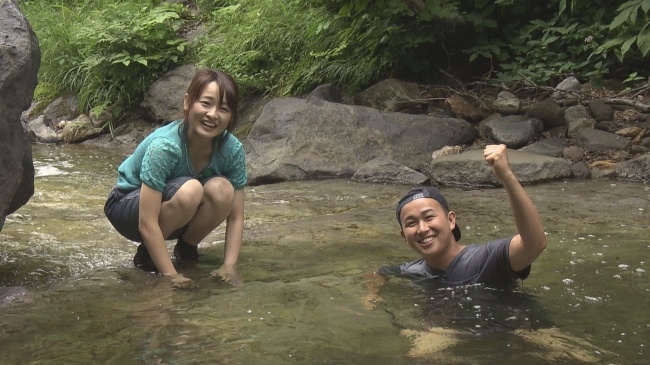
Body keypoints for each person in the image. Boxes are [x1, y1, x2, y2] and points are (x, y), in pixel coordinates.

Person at [104, 69, 247, 288]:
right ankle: (147, 257)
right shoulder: (165, 147)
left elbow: (236, 217)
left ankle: (186, 250)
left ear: (232, 116)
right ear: (188, 102)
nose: (213, 114)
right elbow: (146, 222)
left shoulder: (232, 149)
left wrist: (229, 267)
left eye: (224, 109)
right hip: (126, 205)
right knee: (192, 190)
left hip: (175, 204)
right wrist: (171, 277)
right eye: (206, 103)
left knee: (223, 189)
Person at [367, 144, 546, 298]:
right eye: (411, 223)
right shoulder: (414, 271)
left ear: (451, 220)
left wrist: (507, 176)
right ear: (403, 236)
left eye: (429, 217)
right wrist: (372, 296)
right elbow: (380, 272)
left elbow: (534, 244)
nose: (422, 229)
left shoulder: (484, 260)